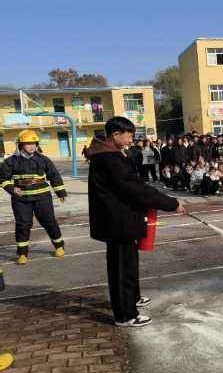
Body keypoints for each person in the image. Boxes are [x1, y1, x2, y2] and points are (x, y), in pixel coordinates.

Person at [87, 117, 185, 327]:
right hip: (117, 221)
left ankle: (132, 298)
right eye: (129, 135)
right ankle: (125, 314)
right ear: (116, 135)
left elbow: (134, 184)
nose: (132, 139)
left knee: (128, 263)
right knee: (122, 267)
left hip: (120, 219)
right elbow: (134, 188)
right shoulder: (109, 158)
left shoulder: (110, 154)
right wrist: (171, 203)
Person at [0, 130, 67, 265]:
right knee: (23, 225)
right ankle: (22, 254)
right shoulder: (10, 161)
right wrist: (12, 189)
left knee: (49, 222)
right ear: (20, 145)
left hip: (42, 197)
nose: (31, 146)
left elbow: (54, 175)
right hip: (21, 200)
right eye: (28, 143)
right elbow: (2, 178)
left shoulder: (43, 159)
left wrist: (60, 192)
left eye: (34, 143)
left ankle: (59, 246)